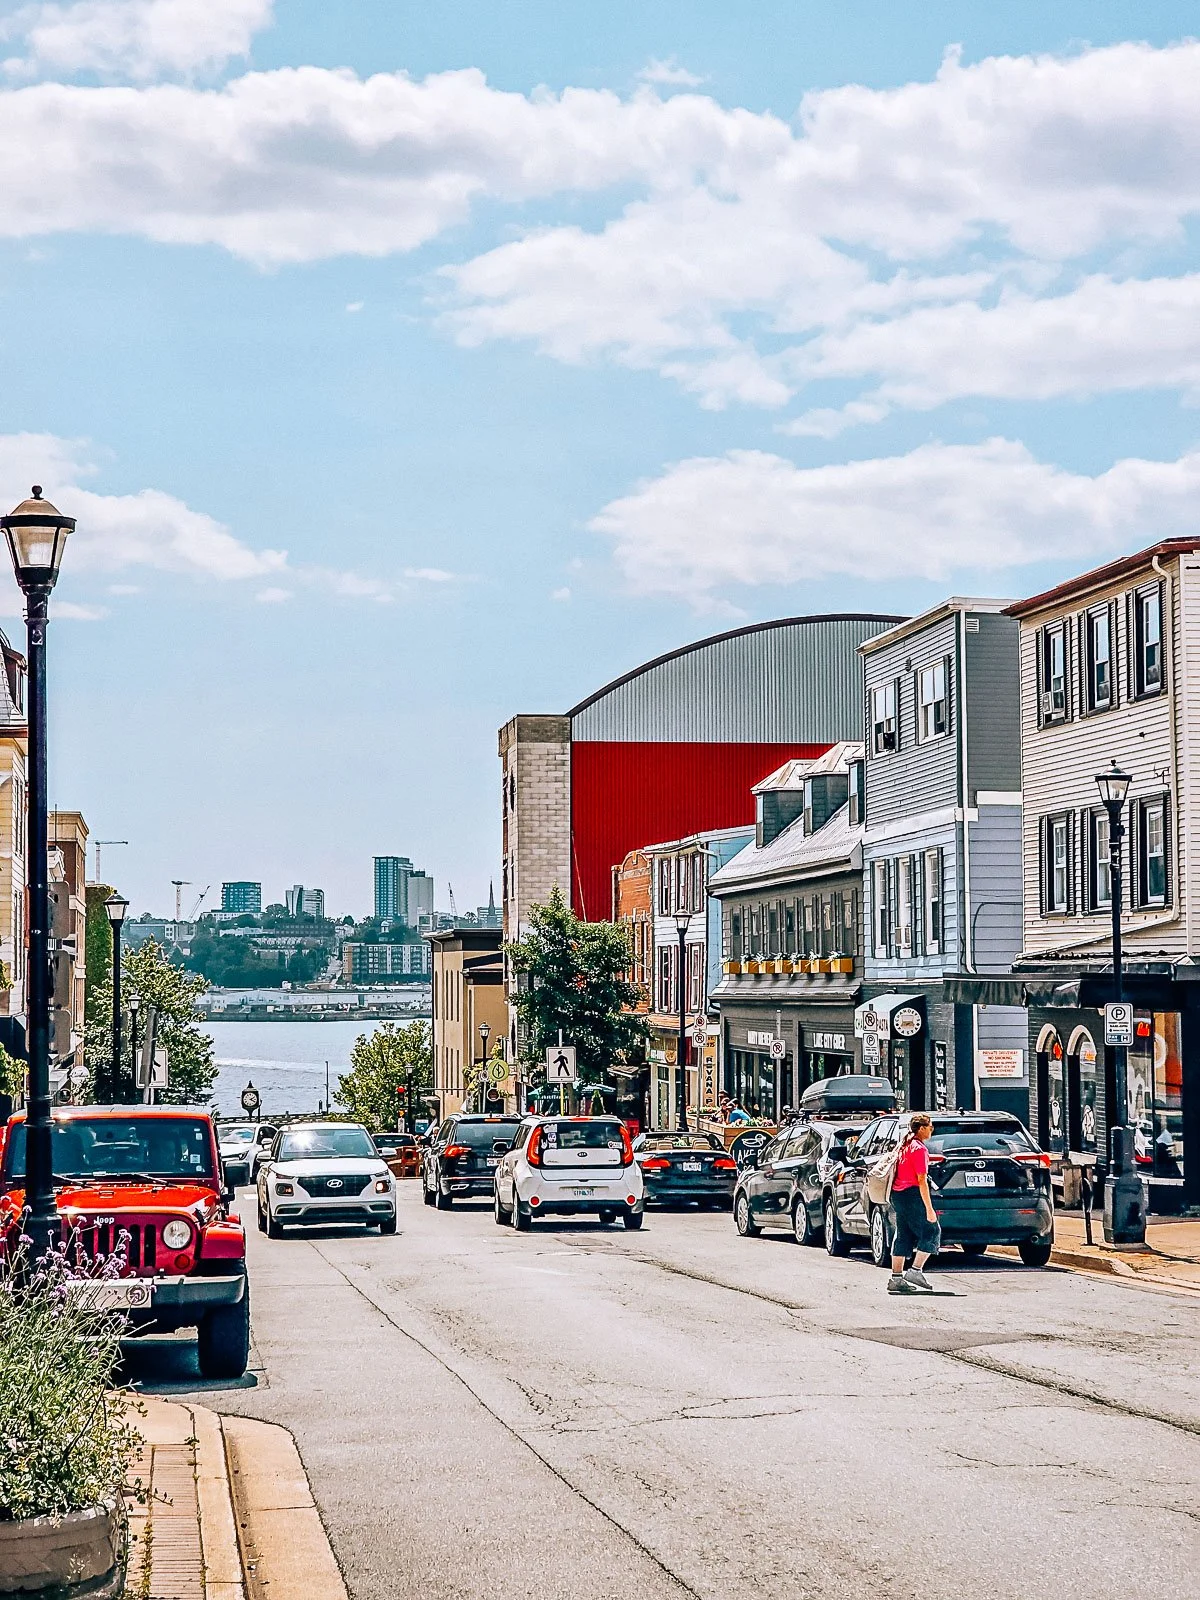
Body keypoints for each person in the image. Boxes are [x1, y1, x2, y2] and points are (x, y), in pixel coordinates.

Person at [888, 1113, 940, 1295]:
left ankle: (896, 1278)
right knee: (932, 1230)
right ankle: (915, 1271)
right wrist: (929, 1209)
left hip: (898, 1195)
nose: (932, 1130)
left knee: (903, 1234)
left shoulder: (906, 1144)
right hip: (912, 1194)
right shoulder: (919, 1149)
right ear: (921, 1128)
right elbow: (922, 1181)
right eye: (930, 1127)